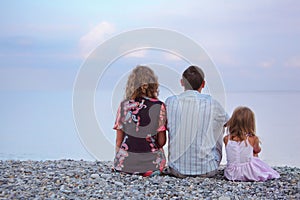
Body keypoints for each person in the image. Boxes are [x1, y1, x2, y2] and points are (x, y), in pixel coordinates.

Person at [165, 65, 228, 178]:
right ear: (203, 84)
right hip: (207, 170)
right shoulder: (212, 103)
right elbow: (228, 123)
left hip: (176, 169)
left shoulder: (170, 102)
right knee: (221, 123)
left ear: (182, 82)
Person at [113, 65, 167, 177]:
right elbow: (161, 142)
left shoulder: (124, 105)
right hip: (151, 166)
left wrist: (118, 162)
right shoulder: (159, 106)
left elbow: (119, 140)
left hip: (125, 165)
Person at [223, 106, 280, 181]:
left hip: (231, 174)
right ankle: (252, 171)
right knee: (254, 154)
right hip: (248, 173)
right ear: (251, 123)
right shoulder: (253, 138)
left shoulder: (227, 138)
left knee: (246, 153)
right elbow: (257, 150)